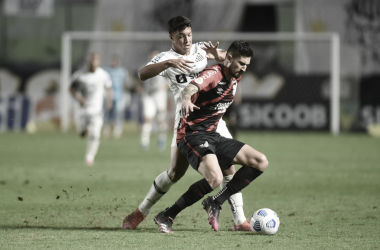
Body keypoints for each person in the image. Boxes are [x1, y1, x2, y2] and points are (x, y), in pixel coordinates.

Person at [122, 16, 252, 231]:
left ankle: (239, 220)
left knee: (229, 166)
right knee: (174, 172)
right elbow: (142, 74)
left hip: (213, 118)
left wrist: (219, 55)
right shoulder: (166, 58)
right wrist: (168, 63)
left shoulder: (200, 49)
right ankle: (141, 211)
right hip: (186, 120)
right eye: (181, 36)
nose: (187, 40)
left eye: (189, 35)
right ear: (171, 36)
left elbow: (229, 59)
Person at [154, 41, 268, 233]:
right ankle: (167, 215)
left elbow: (227, 59)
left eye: (247, 65)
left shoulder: (234, 74)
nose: (244, 68)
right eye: (241, 63)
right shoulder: (214, 74)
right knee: (214, 178)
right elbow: (191, 87)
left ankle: (216, 202)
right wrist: (187, 98)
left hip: (212, 135)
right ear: (230, 59)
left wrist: (224, 57)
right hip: (192, 135)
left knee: (260, 161)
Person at [70, 53, 113, 166]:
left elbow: (109, 87)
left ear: (98, 62)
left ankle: (89, 157)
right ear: (88, 62)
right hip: (83, 110)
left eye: (96, 61)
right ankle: (85, 129)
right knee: (82, 133)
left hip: (97, 110)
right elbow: (71, 88)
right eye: (92, 61)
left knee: (95, 134)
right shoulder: (80, 75)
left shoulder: (103, 74)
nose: (94, 64)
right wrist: (79, 99)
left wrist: (109, 100)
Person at [140, 50, 169, 151]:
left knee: (160, 119)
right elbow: (140, 80)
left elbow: (170, 83)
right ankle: (144, 141)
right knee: (148, 118)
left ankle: (162, 138)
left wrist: (162, 87)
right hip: (148, 95)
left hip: (160, 95)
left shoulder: (165, 68)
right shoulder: (144, 67)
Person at [103, 55, 129, 139]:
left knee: (118, 113)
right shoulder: (108, 71)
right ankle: (106, 128)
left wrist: (125, 93)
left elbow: (126, 83)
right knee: (107, 113)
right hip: (109, 95)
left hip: (119, 95)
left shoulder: (123, 71)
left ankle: (117, 129)